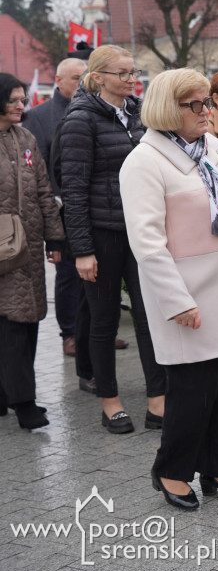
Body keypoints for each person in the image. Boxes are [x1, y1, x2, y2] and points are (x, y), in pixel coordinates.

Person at [121, 68, 218, 510]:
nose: (207, 110)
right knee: (191, 391)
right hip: (190, 290)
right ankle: (171, 471)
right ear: (169, 108)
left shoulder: (213, 146)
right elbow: (147, 243)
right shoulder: (143, 162)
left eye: (207, 101)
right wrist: (176, 300)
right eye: (196, 104)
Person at [60, 45, 166, 434]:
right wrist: (83, 250)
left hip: (141, 232)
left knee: (149, 317)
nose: (131, 79)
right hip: (102, 235)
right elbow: (73, 190)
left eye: (133, 72)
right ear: (98, 77)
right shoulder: (80, 120)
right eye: (122, 73)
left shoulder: (139, 115)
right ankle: (110, 402)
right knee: (104, 321)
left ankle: (158, 401)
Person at [0, 72, 65, 430]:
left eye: (22, 99)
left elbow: (43, 190)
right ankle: (22, 402)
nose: (21, 105)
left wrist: (54, 239)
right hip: (2, 247)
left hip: (27, 247)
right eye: (13, 100)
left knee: (25, 321)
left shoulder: (25, 138)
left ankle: (16, 395)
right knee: (10, 324)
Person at [22, 58, 87, 357]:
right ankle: (70, 333)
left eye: (85, 78)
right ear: (58, 81)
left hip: (92, 206)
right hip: (61, 210)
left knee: (98, 272)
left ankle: (96, 331)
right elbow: (39, 168)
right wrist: (53, 207)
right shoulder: (39, 116)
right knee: (69, 275)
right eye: (75, 78)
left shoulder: (94, 111)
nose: (81, 84)